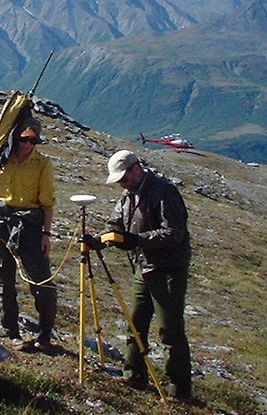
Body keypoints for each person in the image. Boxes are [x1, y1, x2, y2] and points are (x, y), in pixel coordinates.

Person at [102, 150, 194, 401]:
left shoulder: (163, 191)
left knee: (170, 330)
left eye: (123, 178)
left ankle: (179, 389)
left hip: (168, 269)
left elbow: (174, 233)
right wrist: (103, 240)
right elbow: (116, 224)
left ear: (135, 169)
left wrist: (137, 240)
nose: (121, 183)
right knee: (135, 322)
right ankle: (134, 374)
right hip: (143, 267)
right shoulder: (127, 196)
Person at [0, 116, 57, 353]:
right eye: (25, 139)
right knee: (3, 278)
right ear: (16, 137)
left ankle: (44, 334)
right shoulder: (4, 160)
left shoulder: (43, 165)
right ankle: (11, 332)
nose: (28, 145)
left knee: (41, 280)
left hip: (30, 226)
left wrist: (46, 234)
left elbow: (47, 204)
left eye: (34, 141)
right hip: (2, 222)